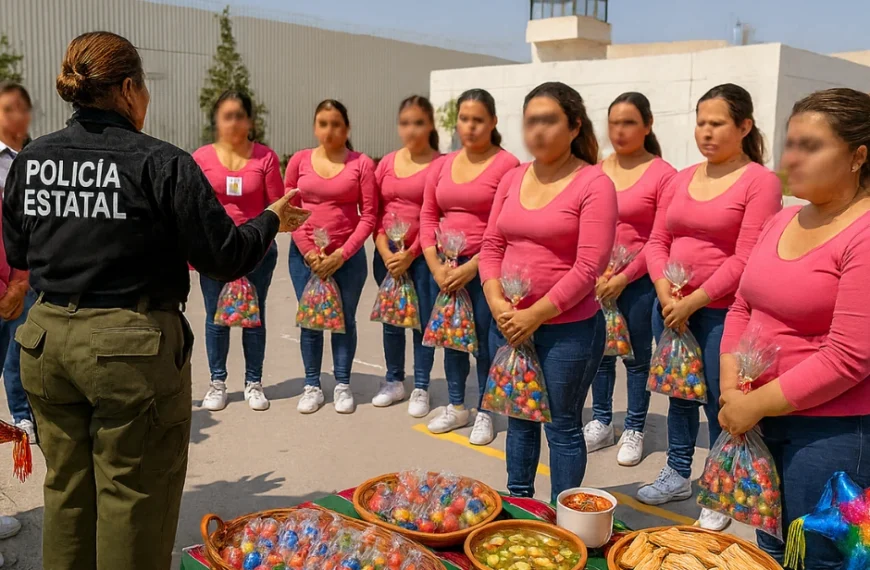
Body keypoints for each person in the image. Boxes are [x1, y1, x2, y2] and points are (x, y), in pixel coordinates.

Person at [2, 32, 307, 570]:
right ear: (127, 89)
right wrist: (271, 219)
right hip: (129, 351)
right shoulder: (161, 163)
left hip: (48, 343)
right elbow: (224, 256)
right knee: (133, 495)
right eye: (143, 89)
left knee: (67, 491)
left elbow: (19, 249)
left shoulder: (33, 159)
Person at [718, 88, 870, 568]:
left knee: (819, 555)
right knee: (771, 545)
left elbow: (849, 357)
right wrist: (731, 388)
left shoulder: (864, 232)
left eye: (811, 146)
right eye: (790, 144)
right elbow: (742, 305)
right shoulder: (782, 218)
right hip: (760, 416)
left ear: (858, 157)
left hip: (830, 431)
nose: (791, 159)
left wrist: (752, 405)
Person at [637, 83, 782, 531]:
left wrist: (697, 300)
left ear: (744, 126)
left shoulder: (760, 182)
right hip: (672, 308)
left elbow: (746, 256)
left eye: (717, 123)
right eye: (701, 122)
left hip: (724, 313)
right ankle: (678, 472)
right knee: (680, 396)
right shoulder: (680, 179)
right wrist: (666, 293)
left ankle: (721, 486)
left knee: (723, 401)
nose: (706, 131)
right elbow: (657, 241)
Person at [480, 82, 615, 502]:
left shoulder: (594, 183)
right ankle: (520, 504)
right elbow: (491, 246)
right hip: (507, 323)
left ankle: (564, 518)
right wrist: (497, 302)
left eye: (549, 120)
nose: (537, 130)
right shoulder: (512, 177)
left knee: (562, 426)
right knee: (519, 420)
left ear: (574, 126)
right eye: (530, 121)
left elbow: (589, 266)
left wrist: (534, 314)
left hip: (567, 331)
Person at [420, 89, 519, 445]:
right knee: (452, 340)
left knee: (485, 342)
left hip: (486, 269)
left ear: (493, 122)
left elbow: (506, 224)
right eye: (464, 119)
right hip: (445, 268)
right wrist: (436, 266)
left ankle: (485, 412)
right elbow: (427, 215)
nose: (470, 126)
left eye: (478, 120)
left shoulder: (507, 166)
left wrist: (474, 266)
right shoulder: (441, 165)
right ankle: (456, 405)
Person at [585, 92, 676, 467]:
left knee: (636, 357)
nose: (619, 131)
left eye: (629, 123)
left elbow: (660, 236)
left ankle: (635, 427)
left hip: (637, 282)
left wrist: (624, 276)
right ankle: (602, 420)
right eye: (614, 123)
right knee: (600, 354)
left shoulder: (663, 174)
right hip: (595, 279)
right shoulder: (596, 170)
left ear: (647, 125)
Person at [193, 90, 284, 413]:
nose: (233, 122)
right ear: (217, 121)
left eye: (239, 116)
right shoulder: (201, 158)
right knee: (215, 319)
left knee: (253, 318)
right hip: (215, 252)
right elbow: (194, 208)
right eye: (226, 116)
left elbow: (277, 208)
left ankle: (253, 382)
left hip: (256, 252)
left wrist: (256, 241)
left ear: (249, 121)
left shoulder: (265, 159)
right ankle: (217, 382)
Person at [286, 99, 377, 415]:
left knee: (344, 321)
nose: (329, 130)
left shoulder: (361, 164)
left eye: (336, 124)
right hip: (305, 259)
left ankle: (342, 384)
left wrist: (342, 254)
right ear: (315, 127)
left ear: (347, 128)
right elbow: (288, 209)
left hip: (347, 260)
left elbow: (369, 215)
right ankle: (312, 385)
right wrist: (309, 252)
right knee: (311, 322)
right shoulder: (299, 161)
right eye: (323, 123)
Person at [371, 95, 443, 417]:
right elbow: (374, 211)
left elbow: (439, 216)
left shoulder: (441, 165)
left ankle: (421, 386)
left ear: (430, 126)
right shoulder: (386, 163)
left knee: (421, 322)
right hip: (387, 255)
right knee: (392, 319)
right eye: (405, 123)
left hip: (424, 257)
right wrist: (385, 250)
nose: (411, 130)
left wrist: (411, 253)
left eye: (418, 123)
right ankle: (394, 380)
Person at [0, 82, 37, 441]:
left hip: (30, 270)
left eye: (23, 108)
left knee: (21, 347)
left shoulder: (38, 159)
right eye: (8, 109)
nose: (17, 116)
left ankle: (22, 414)